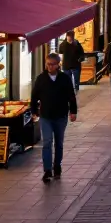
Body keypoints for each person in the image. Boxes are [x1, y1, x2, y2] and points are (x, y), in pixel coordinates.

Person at [29, 52, 78, 183]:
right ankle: (47, 170)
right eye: (48, 64)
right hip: (46, 116)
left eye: (52, 65)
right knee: (47, 142)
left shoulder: (64, 78)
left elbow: (71, 96)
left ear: (58, 65)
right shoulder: (41, 79)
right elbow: (34, 96)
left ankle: (57, 166)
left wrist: (73, 111)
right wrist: (34, 110)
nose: (49, 67)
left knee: (59, 143)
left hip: (61, 116)